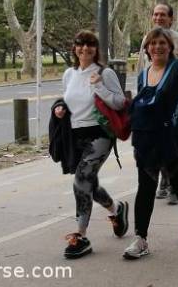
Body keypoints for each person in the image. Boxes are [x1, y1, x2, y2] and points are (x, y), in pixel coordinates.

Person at [124, 27, 178, 259]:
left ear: (170, 47)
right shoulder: (143, 74)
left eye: (162, 43)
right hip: (150, 139)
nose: (157, 47)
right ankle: (140, 239)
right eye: (153, 43)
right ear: (147, 48)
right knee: (146, 186)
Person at [52, 30, 129, 259]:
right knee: (89, 184)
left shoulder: (104, 73)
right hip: (75, 137)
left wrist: (99, 87)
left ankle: (81, 235)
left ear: (96, 49)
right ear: (74, 48)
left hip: (99, 135)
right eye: (80, 45)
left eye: (90, 45)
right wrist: (60, 108)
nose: (84, 49)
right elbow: (66, 99)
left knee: (80, 182)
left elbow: (119, 102)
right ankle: (116, 211)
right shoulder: (69, 73)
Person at [137, 2, 178, 204]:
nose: (158, 18)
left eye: (163, 15)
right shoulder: (147, 39)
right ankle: (165, 180)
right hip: (153, 103)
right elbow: (141, 68)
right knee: (157, 143)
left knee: (176, 142)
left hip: (177, 103)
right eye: (155, 14)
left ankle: (174, 183)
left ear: (171, 18)